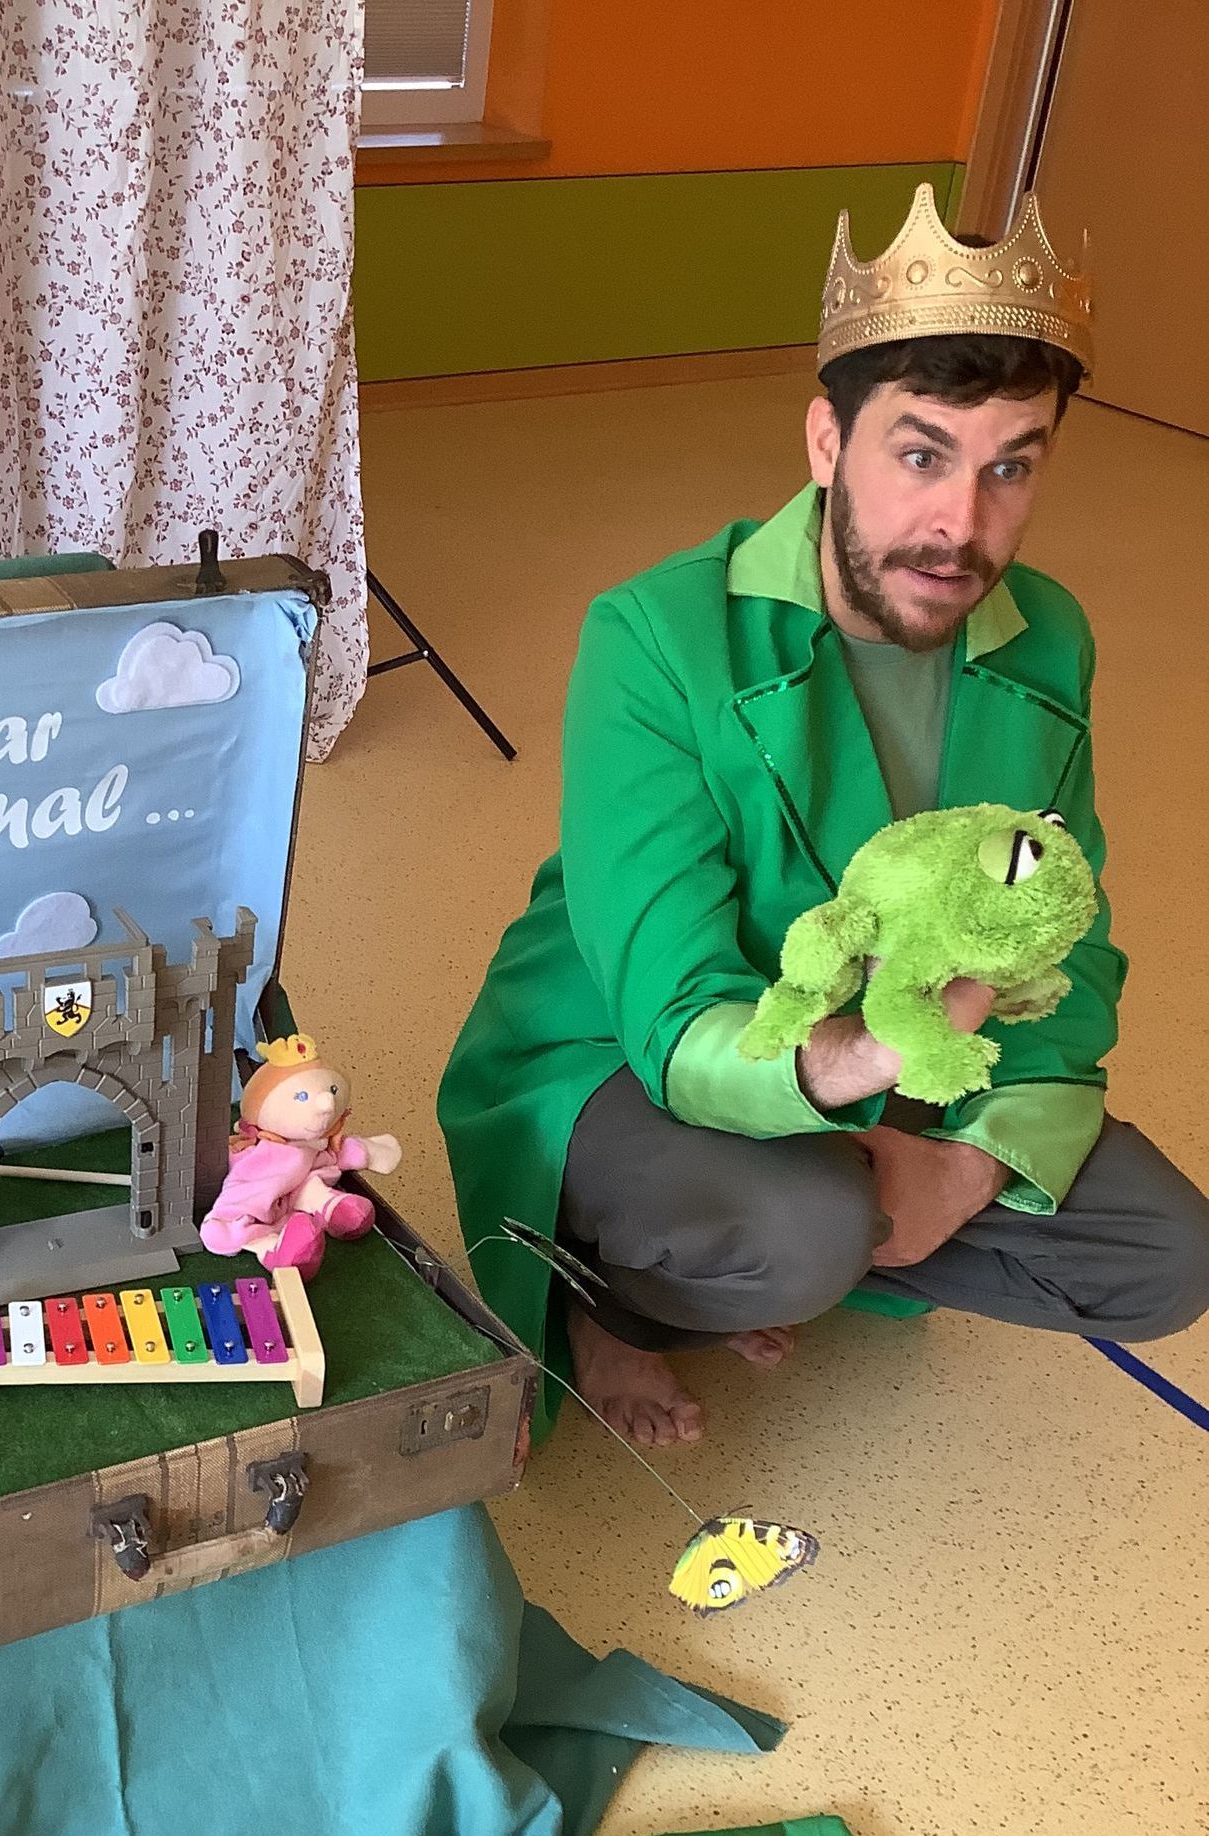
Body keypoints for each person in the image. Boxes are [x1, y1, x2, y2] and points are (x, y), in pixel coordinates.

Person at [438, 183, 1209, 1448]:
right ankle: (621, 1303)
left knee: (1165, 1259)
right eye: (920, 455)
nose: (961, 525)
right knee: (799, 1229)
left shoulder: (1048, 638)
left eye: (1011, 467)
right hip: (636, 1040)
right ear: (824, 442)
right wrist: (845, 1073)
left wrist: (971, 1161)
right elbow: (670, 998)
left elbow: (1064, 935)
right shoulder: (656, 633)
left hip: (910, 1043)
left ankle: (812, 1237)